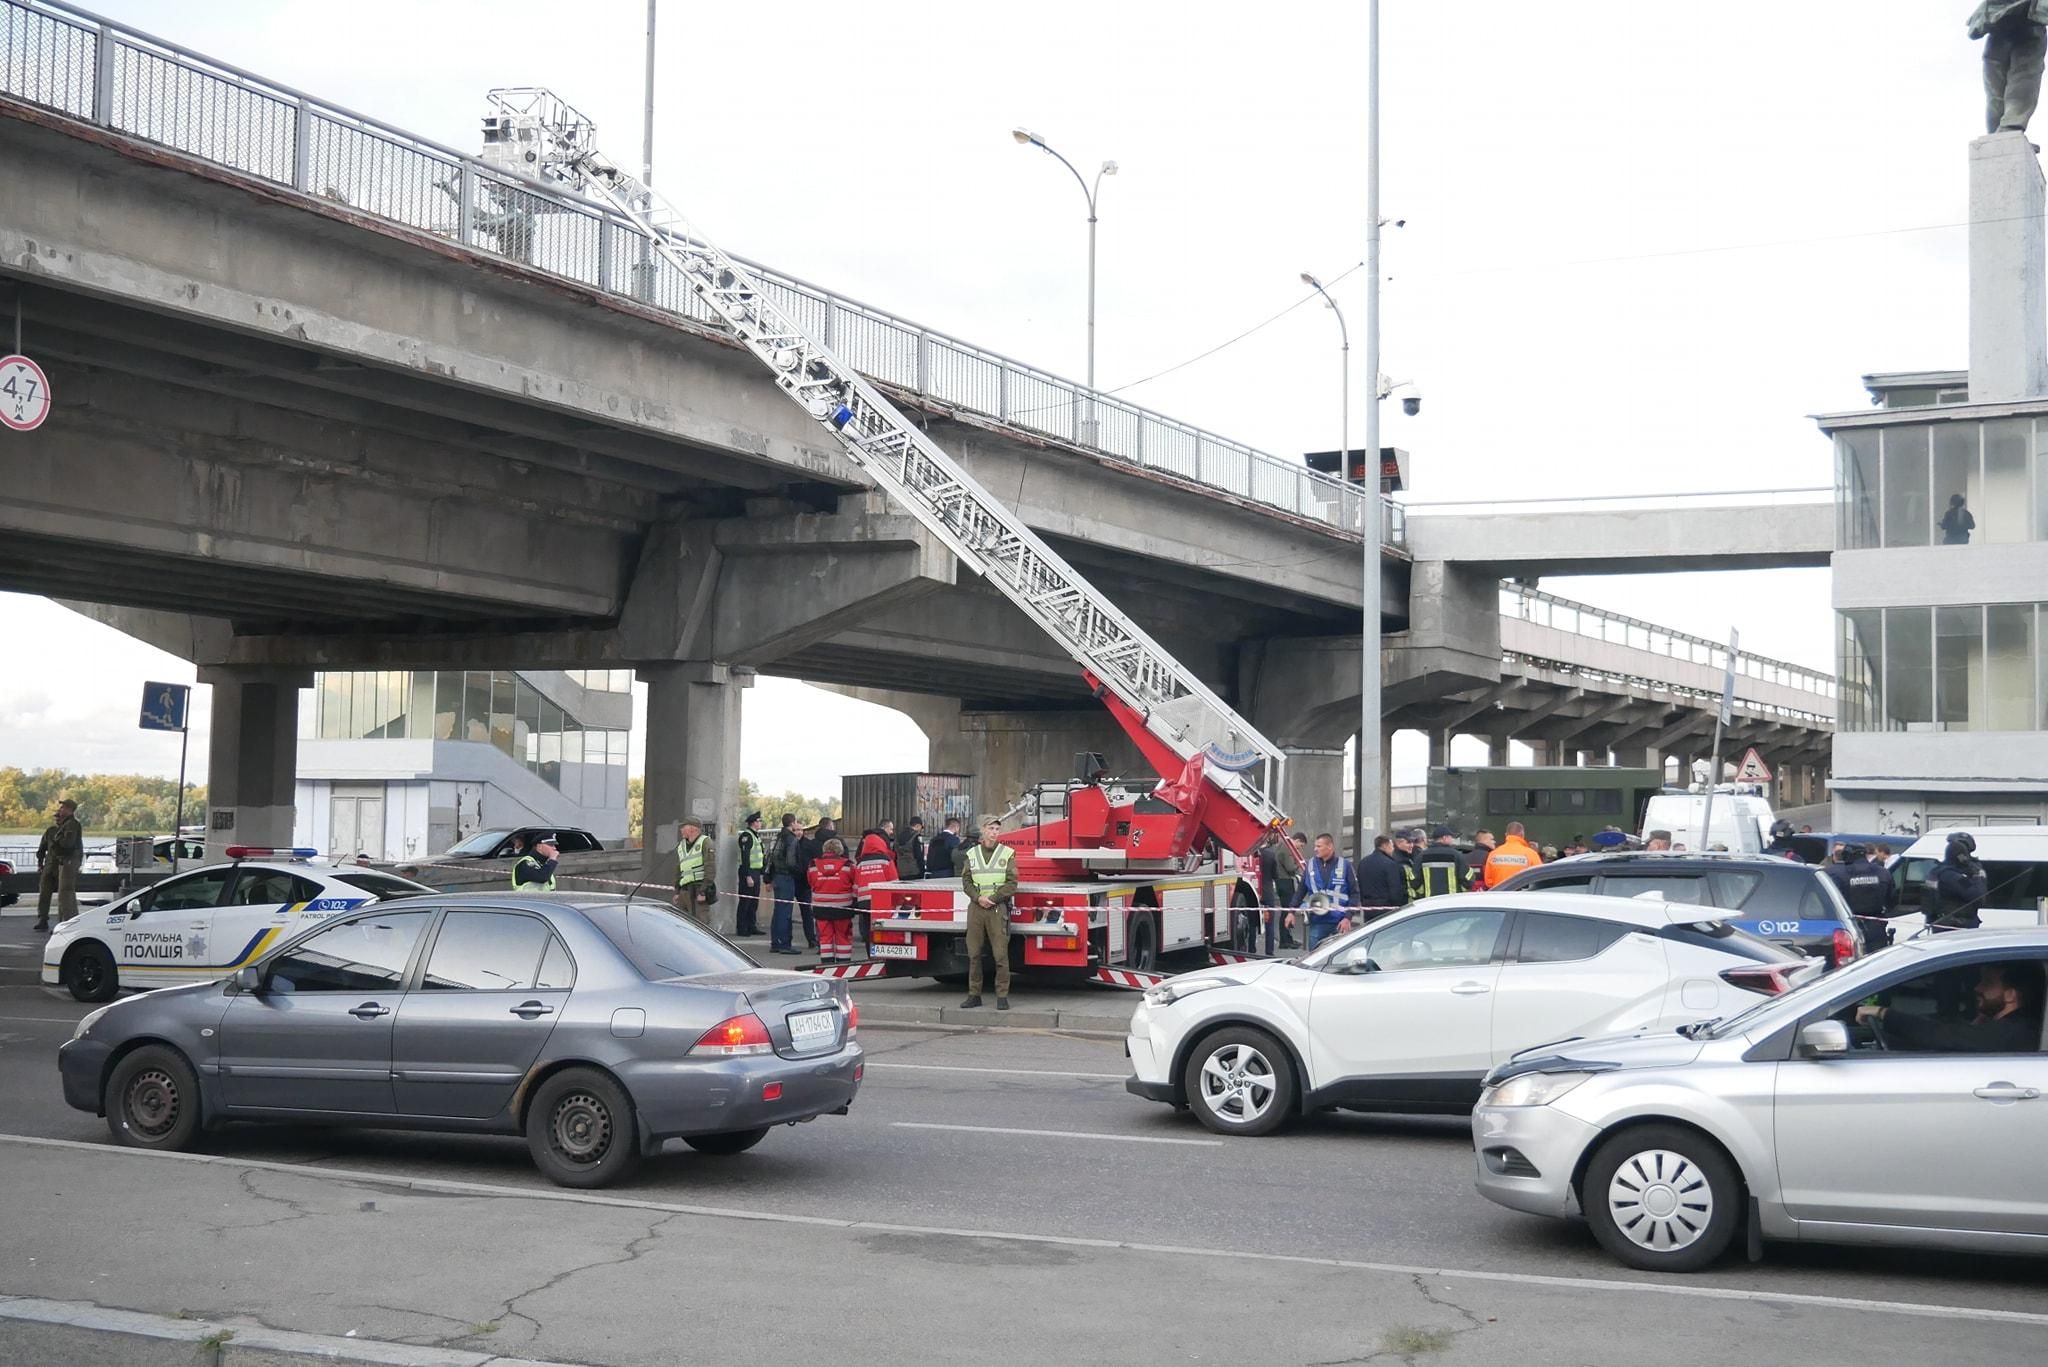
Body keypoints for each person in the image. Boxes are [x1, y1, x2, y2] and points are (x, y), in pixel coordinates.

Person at [1857, 961, 2044, 1053]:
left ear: (2011, 995)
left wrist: (1883, 1013)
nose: (1977, 988)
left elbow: (1943, 1035)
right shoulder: (2009, 1027)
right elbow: (1949, 1028)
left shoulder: (2016, 1032)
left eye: (1988, 983)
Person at [960, 819, 1017, 1010]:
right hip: (976, 908)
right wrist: (978, 898)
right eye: (991, 829)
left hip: (996, 907)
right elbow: (966, 881)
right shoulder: (972, 853)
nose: (994, 832)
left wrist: (993, 898)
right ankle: (974, 994)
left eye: (997, 829)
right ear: (983, 830)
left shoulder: (1006, 853)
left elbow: (1012, 883)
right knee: (974, 954)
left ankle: (1002, 996)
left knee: (1000, 955)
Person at [1973, 2, 2048, 134]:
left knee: (2011, 77)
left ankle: (2006, 127)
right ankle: (2007, 127)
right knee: (2016, 76)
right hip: (2010, 22)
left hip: (2015, 21)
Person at [1296, 832, 1359, 950]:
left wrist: (1348, 918)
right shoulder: (1310, 865)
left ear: (1329, 847)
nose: (1315, 849)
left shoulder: (1344, 865)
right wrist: (1290, 911)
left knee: (1340, 956)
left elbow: (1354, 893)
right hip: (1318, 920)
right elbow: (1301, 890)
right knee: (1314, 957)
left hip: (1340, 921)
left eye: (1318, 846)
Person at [33, 798, 84, 932]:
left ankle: (66, 923)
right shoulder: (51, 830)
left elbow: (68, 845)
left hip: (64, 862)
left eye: (62, 809)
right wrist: (40, 862)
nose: (58, 816)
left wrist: (57, 844)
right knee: (45, 891)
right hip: (52, 864)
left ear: (69, 810)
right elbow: (42, 848)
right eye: (57, 815)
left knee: (65, 893)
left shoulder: (72, 825)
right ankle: (44, 918)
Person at [1825, 843, 1891, 947]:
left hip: (1849, 927)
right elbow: (1891, 899)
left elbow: (1827, 901)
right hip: (1877, 927)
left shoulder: (1835, 873)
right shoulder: (1883, 872)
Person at [808, 838, 856, 962]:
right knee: (843, 936)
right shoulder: (848, 865)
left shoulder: (813, 865)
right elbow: (855, 884)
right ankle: (843, 963)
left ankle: (827, 964)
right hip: (843, 907)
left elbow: (811, 882)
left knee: (824, 937)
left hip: (821, 908)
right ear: (839, 850)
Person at [1255, 829, 1304, 951]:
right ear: (1297, 840)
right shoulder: (1287, 848)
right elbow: (1290, 867)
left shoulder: (1283, 847)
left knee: (1286, 910)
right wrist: (1298, 863)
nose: (1300, 848)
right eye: (1301, 845)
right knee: (1287, 911)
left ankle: (1287, 938)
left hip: (1282, 882)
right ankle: (1285, 940)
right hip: (1285, 882)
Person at [1930, 832, 1991, 929]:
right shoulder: (1953, 877)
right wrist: (1978, 876)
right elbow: (1978, 897)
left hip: (1942, 923)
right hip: (1955, 927)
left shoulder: (1937, 871)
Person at [768, 813, 809, 955]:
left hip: (777, 877)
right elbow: (791, 862)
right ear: (793, 823)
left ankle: (775, 943)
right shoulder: (791, 839)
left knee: (778, 911)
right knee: (785, 913)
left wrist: (768, 877)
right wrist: (799, 872)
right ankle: (785, 944)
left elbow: (770, 857)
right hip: (786, 878)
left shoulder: (777, 836)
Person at [853, 829, 897, 954]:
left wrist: (855, 899)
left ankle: (870, 954)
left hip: (864, 903)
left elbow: (856, 885)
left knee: (868, 930)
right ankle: (883, 954)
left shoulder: (861, 863)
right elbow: (894, 881)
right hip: (881, 901)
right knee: (883, 929)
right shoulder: (885, 859)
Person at [672, 820, 715, 926]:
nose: (681, 830)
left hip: (698, 888)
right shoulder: (681, 845)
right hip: (684, 890)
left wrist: (703, 891)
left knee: (701, 923)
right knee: (683, 923)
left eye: (684, 827)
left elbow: (710, 867)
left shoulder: (705, 842)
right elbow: (679, 869)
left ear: (693, 828)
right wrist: (677, 891)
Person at [732, 812, 767, 938]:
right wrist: (747, 875)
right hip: (749, 872)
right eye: (759, 821)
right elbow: (745, 857)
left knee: (753, 902)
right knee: (745, 901)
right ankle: (742, 928)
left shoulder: (755, 836)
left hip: (756, 872)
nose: (760, 823)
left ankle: (751, 926)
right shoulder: (747, 836)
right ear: (754, 822)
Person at [1415, 828, 1478, 898]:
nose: (1452, 840)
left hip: (1430, 901)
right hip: (1450, 901)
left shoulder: (1422, 856)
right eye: (1451, 837)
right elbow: (1468, 878)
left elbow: (1414, 880)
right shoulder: (1456, 855)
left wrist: (1423, 894)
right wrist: (1461, 891)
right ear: (1444, 838)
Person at [1481, 821, 1542, 889]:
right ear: (1522, 834)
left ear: (1506, 835)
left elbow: (1489, 882)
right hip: (1522, 897)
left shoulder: (1493, 854)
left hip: (1499, 895)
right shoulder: (1531, 854)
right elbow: (1539, 878)